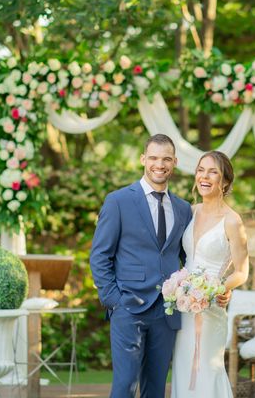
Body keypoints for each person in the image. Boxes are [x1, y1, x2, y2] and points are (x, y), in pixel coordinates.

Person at [91, 134, 229, 398]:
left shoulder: (182, 209)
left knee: (155, 389)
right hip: (127, 307)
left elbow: (189, 257)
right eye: (153, 157)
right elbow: (99, 256)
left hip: (166, 311)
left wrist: (216, 286)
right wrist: (113, 300)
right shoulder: (118, 201)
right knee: (125, 386)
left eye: (166, 158)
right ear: (143, 159)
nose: (159, 164)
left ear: (175, 162)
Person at [171, 150, 249, 397]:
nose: (204, 176)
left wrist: (221, 288)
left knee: (207, 369)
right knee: (184, 370)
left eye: (212, 171)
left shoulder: (232, 221)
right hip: (182, 304)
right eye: (201, 170)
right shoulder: (189, 212)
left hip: (212, 305)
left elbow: (242, 271)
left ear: (225, 181)